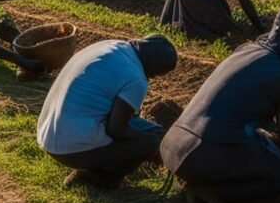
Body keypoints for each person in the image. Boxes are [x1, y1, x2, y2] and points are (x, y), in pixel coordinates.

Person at [161, 8, 280, 203]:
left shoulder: (245, 50)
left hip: (173, 147)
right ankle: (211, 193)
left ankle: (198, 181)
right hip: (203, 154)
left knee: (259, 142)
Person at [36, 35, 178, 189]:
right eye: (157, 74)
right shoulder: (136, 79)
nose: (153, 78)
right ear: (155, 67)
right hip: (68, 148)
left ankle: (102, 164)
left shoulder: (112, 46)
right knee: (150, 142)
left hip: (49, 134)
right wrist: (148, 143)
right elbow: (116, 130)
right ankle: (100, 177)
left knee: (152, 132)